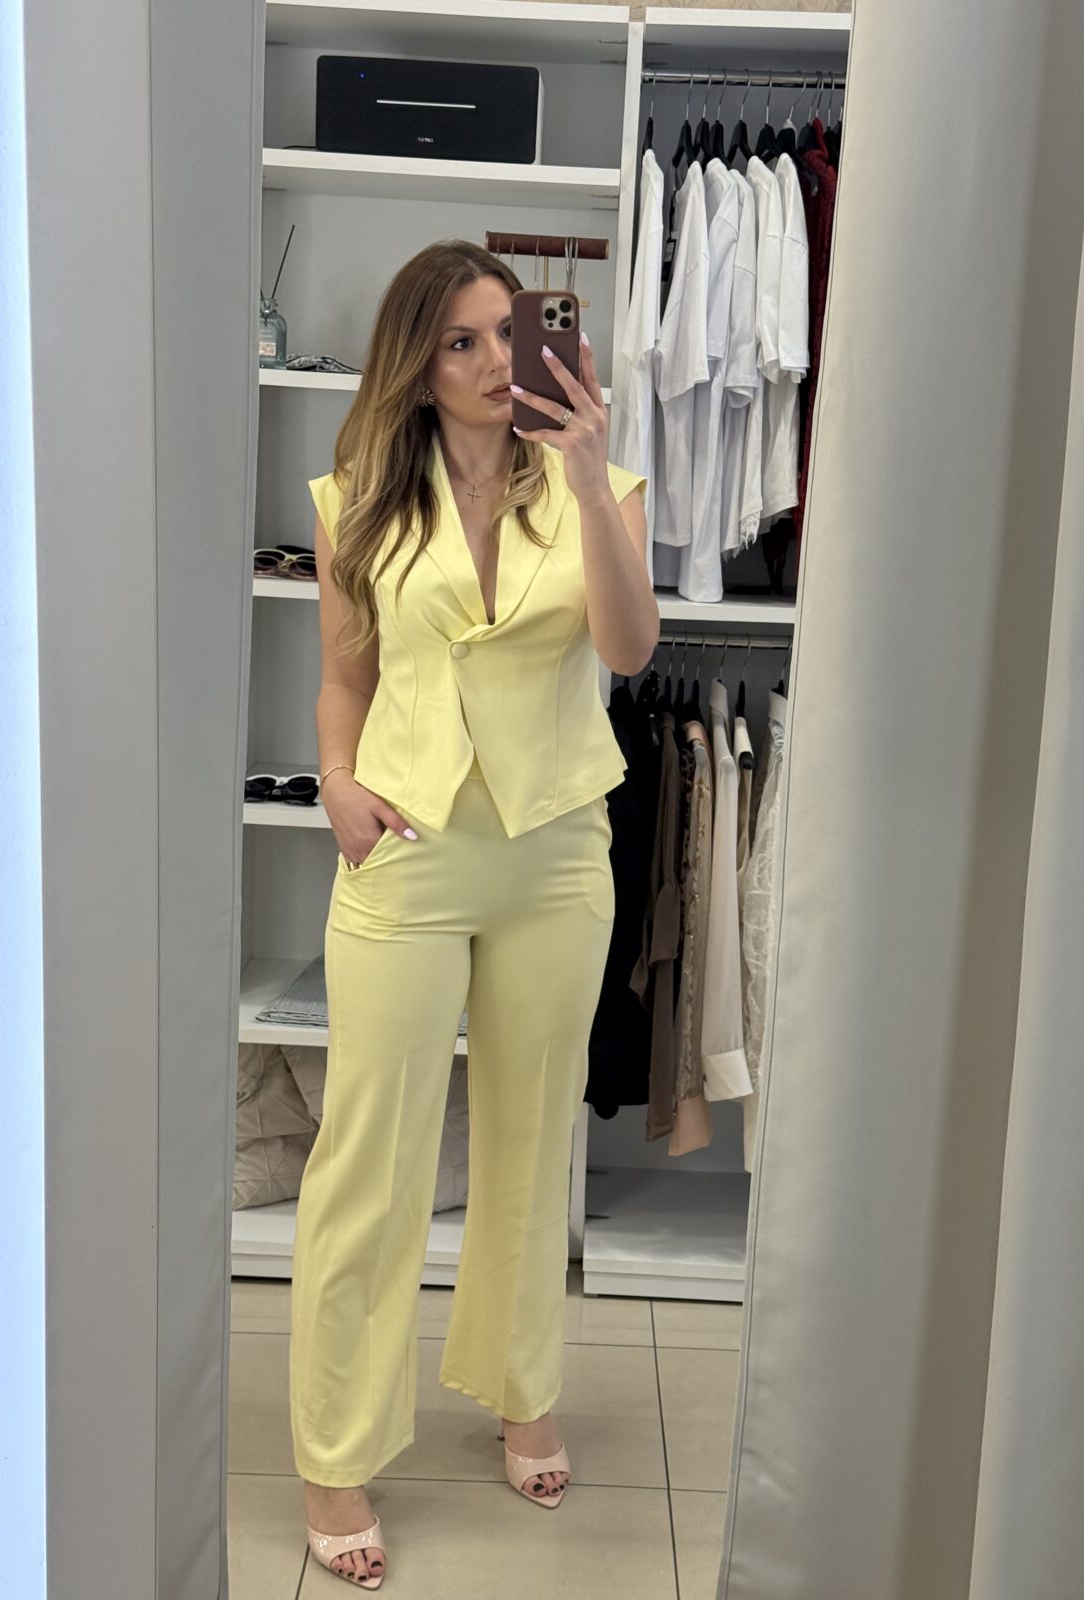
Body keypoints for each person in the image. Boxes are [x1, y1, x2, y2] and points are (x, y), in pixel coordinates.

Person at [290, 239, 657, 1586]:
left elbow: (628, 649)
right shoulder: (355, 500)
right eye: (464, 340)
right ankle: (334, 1454)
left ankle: (523, 1391)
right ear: (417, 363)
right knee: (369, 1157)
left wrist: (590, 478)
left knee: (528, 1136)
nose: (500, 360)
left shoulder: (600, 484)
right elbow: (345, 675)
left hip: (556, 849)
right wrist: (335, 784)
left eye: (514, 330)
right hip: (408, 841)